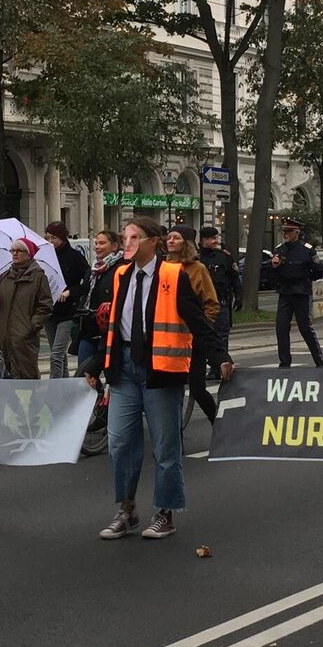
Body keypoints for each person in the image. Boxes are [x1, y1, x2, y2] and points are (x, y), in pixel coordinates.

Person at [84, 217, 234, 540]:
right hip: (123, 369)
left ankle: (165, 513)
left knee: (166, 448)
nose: (127, 242)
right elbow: (114, 328)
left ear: (155, 242)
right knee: (120, 443)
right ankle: (127, 510)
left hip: (161, 372)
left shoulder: (174, 276)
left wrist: (219, 355)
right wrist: (97, 363)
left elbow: (197, 321)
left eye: (134, 237)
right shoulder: (121, 275)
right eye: (125, 237)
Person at [166, 226, 223, 423]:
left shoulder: (198, 269)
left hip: (193, 338)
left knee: (197, 388)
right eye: (169, 237)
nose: (171, 241)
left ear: (187, 243)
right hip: (168, 339)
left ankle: (218, 422)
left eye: (176, 238)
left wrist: (203, 327)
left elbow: (212, 303)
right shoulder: (162, 267)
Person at [0, 238, 54, 379]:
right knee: (8, 377)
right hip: (4, 336)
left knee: (27, 376)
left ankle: (31, 401)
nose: (15, 254)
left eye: (19, 251)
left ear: (28, 254)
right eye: (13, 250)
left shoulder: (38, 277)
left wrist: (31, 327)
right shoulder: (5, 276)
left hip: (24, 338)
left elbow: (45, 306)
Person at [271, 217, 323, 368]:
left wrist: (306, 278)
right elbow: (273, 274)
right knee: (281, 327)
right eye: (284, 231)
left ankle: (318, 360)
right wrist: (274, 267)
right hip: (285, 293)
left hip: (301, 292)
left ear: (297, 232)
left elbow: (320, 271)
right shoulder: (280, 249)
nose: (286, 234)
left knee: (305, 328)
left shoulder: (306, 249)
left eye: (289, 231)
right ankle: (284, 362)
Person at [44, 221, 91, 379]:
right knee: (58, 354)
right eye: (48, 238)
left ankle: (55, 388)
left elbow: (87, 282)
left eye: (53, 238)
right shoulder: (46, 257)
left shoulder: (75, 257)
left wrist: (70, 292)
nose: (50, 242)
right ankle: (64, 385)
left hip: (68, 312)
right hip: (50, 311)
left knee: (56, 354)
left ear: (62, 238)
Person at [75, 228, 124, 371]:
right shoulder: (93, 270)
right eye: (96, 243)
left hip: (108, 330)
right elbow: (84, 292)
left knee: (111, 373)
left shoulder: (120, 269)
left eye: (102, 243)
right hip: (89, 328)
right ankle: (94, 393)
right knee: (83, 373)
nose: (97, 247)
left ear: (114, 246)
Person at [197, 225, 240, 365]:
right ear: (204, 240)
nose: (216, 241)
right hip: (201, 304)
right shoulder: (196, 258)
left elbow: (234, 278)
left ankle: (220, 365)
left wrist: (239, 296)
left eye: (216, 238)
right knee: (203, 336)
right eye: (212, 238)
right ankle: (205, 365)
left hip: (221, 302)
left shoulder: (224, 257)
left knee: (221, 336)